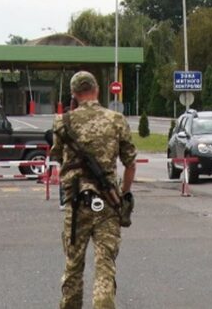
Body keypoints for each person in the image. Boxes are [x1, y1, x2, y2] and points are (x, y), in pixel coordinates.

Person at [51, 71, 137, 309]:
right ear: (97, 89)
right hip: (108, 203)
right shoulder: (116, 119)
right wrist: (125, 194)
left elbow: (58, 157)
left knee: (73, 266)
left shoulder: (62, 122)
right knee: (105, 266)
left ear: (74, 94)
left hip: (76, 205)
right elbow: (130, 163)